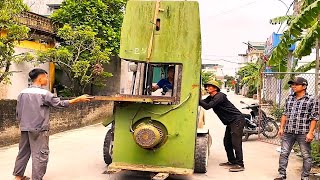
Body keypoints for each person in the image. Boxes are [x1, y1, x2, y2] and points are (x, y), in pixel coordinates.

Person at [13, 68, 94, 180]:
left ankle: (18, 176)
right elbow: (59, 103)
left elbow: (18, 110)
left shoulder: (22, 93)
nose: (47, 79)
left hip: (24, 127)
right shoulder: (44, 93)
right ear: (40, 78)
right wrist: (78, 99)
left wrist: (21, 123)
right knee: (40, 155)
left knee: (23, 152)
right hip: (39, 128)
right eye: (46, 77)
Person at [274, 77, 319, 180]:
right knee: (284, 153)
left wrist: (311, 132)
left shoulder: (311, 100)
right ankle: (282, 175)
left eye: (296, 84)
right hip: (288, 131)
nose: (293, 86)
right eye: (292, 84)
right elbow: (285, 113)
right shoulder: (289, 98)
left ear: (304, 86)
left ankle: (305, 177)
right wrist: (281, 128)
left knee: (306, 155)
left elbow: (314, 117)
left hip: (303, 132)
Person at [199, 80, 245, 172]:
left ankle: (240, 164)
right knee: (227, 142)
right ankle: (232, 161)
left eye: (209, 86)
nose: (207, 88)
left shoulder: (219, 96)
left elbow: (208, 106)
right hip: (230, 122)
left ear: (215, 88)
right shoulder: (211, 97)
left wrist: (197, 99)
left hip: (237, 120)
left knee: (236, 143)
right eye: (206, 86)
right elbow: (203, 103)